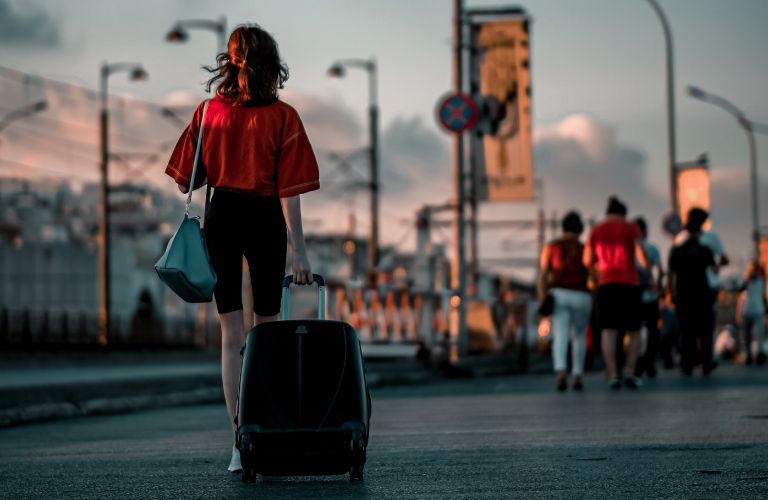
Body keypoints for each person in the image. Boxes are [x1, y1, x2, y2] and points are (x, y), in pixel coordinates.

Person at [164, 25, 319, 473]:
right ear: (272, 64)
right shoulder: (284, 117)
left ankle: (239, 440)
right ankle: (265, 429)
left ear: (228, 63)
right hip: (267, 219)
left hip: (223, 218)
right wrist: (300, 251)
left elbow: (184, 178)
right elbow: (291, 191)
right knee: (266, 331)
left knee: (230, 334)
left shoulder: (207, 112)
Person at [583, 196, 647, 390]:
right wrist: (648, 270)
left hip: (606, 284)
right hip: (629, 283)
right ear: (623, 213)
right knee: (634, 330)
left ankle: (612, 374)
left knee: (608, 331)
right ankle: (629, 371)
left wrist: (595, 276)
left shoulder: (596, 230)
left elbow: (587, 259)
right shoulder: (631, 227)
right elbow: (641, 256)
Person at [539, 211, 592, 391]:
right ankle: (577, 374)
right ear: (580, 229)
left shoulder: (551, 247)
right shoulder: (585, 247)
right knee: (579, 336)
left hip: (559, 293)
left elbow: (543, 274)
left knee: (560, 334)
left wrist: (543, 297)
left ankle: (561, 371)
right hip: (582, 294)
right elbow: (592, 272)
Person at [668, 209, 716, 376]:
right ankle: (706, 362)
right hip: (702, 294)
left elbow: (671, 271)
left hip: (684, 294)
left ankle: (687, 363)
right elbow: (714, 268)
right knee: (704, 331)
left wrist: (670, 292)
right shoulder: (705, 248)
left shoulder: (677, 246)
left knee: (686, 331)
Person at [633, 217, 663, 378]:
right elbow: (659, 270)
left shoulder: (628, 250)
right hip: (651, 295)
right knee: (652, 331)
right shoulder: (653, 249)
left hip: (634, 295)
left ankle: (635, 362)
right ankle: (649, 362)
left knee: (634, 331)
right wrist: (658, 287)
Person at [738, 260, 767, 365]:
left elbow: (764, 296)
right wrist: (747, 277)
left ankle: (760, 354)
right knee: (747, 335)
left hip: (758, 310)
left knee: (760, 334)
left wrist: (765, 310)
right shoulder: (746, 281)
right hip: (747, 311)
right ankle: (748, 354)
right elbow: (740, 290)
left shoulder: (762, 280)